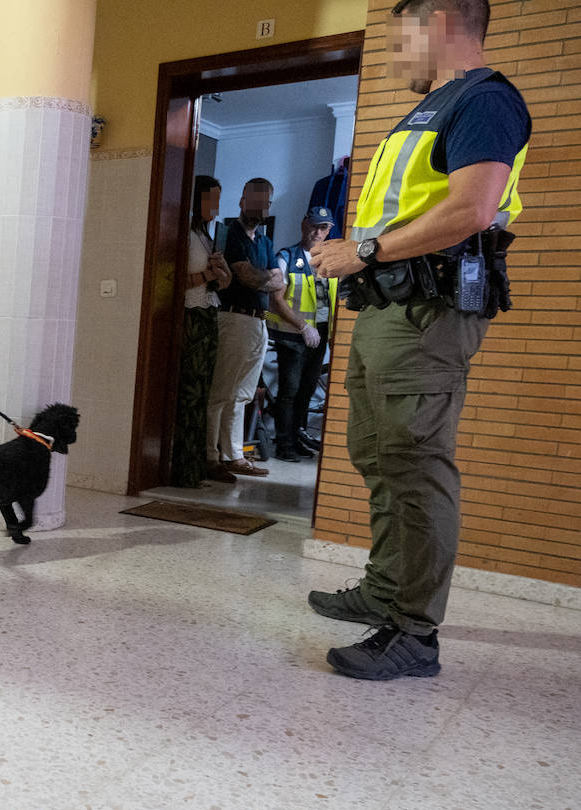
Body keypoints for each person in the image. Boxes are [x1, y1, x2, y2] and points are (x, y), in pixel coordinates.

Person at [309, 0, 530, 679]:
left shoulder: (486, 100)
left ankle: (413, 632)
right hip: (388, 308)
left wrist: (363, 249)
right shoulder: (429, 109)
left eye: (400, 37)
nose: (394, 54)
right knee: (377, 454)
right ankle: (383, 590)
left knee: (416, 461)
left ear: (434, 22)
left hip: (426, 312)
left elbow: (472, 208)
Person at [208, 178, 313, 479]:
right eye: (254, 200)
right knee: (221, 392)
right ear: (242, 201)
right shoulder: (230, 235)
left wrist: (260, 277)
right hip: (234, 317)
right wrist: (262, 277)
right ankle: (210, 456)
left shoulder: (265, 242)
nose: (259, 206)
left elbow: (279, 282)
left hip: (258, 321)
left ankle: (234, 455)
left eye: (265, 202)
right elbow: (248, 277)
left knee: (241, 393)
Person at [172, 176, 232, 487]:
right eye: (213, 200)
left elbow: (223, 283)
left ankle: (196, 466)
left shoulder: (205, 236)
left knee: (204, 391)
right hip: (191, 317)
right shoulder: (183, 234)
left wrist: (221, 271)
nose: (217, 208)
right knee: (191, 393)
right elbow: (175, 279)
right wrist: (209, 273)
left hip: (209, 312)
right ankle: (183, 468)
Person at [269, 207, 338, 462]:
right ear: (303, 224)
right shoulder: (287, 256)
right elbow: (276, 300)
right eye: (313, 225)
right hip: (292, 334)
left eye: (323, 228)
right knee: (290, 390)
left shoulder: (330, 260)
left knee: (307, 390)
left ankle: (296, 438)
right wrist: (302, 326)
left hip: (319, 335)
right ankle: (283, 444)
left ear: (329, 230)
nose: (317, 232)